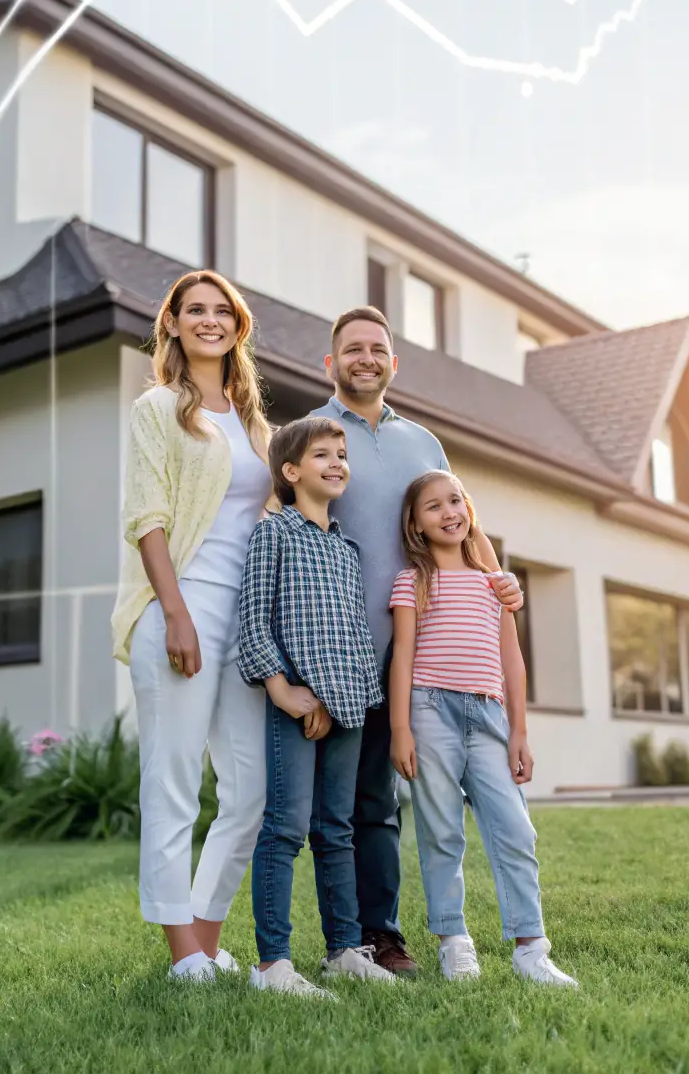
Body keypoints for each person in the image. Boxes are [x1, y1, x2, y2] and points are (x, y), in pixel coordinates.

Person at [312, 305, 524, 976]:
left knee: (383, 804)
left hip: (421, 655)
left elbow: (463, 520)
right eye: (353, 349)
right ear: (332, 362)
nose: (366, 358)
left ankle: (383, 937)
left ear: (393, 363)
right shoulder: (315, 435)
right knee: (340, 804)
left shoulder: (423, 442)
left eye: (377, 348)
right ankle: (344, 940)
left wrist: (497, 582)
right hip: (341, 649)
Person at [111, 270, 273, 984]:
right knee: (173, 782)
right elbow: (147, 517)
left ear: (238, 326)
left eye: (222, 311)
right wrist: (175, 612)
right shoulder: (157, 409)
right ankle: (182, 953)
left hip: (245, 620)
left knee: (250, 790)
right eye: (195, 310)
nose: (210, 320)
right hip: (182, 607)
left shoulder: (254, 423)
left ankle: (207, 938)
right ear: (172, 324)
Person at [388, 469, 578, 987]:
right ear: (416, 524)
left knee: (515, 829)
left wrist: (520, 731)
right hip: (429, 710)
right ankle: (454, 942)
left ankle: (531, 948)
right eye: (433, 506)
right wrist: (400, 728)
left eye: (455, 501)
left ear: (468, 509)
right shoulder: (412, 580)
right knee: (442, 830)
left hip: (489, 714)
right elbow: (402, 655)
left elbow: (512, 659)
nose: (449, 512)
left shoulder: (494, 584)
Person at [237, 418, 396, 997]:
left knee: (337, 830)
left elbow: (353, 634)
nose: (337, 463)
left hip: (347, 703)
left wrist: (341, 698)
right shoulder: (274, 534)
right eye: (322, 454)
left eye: (342, 454)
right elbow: (254, 619)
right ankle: (272, 964)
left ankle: (344, 950)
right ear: (290, 471)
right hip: (294, 700)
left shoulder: (347, 549)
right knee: (285, 828)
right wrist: (284, 690)